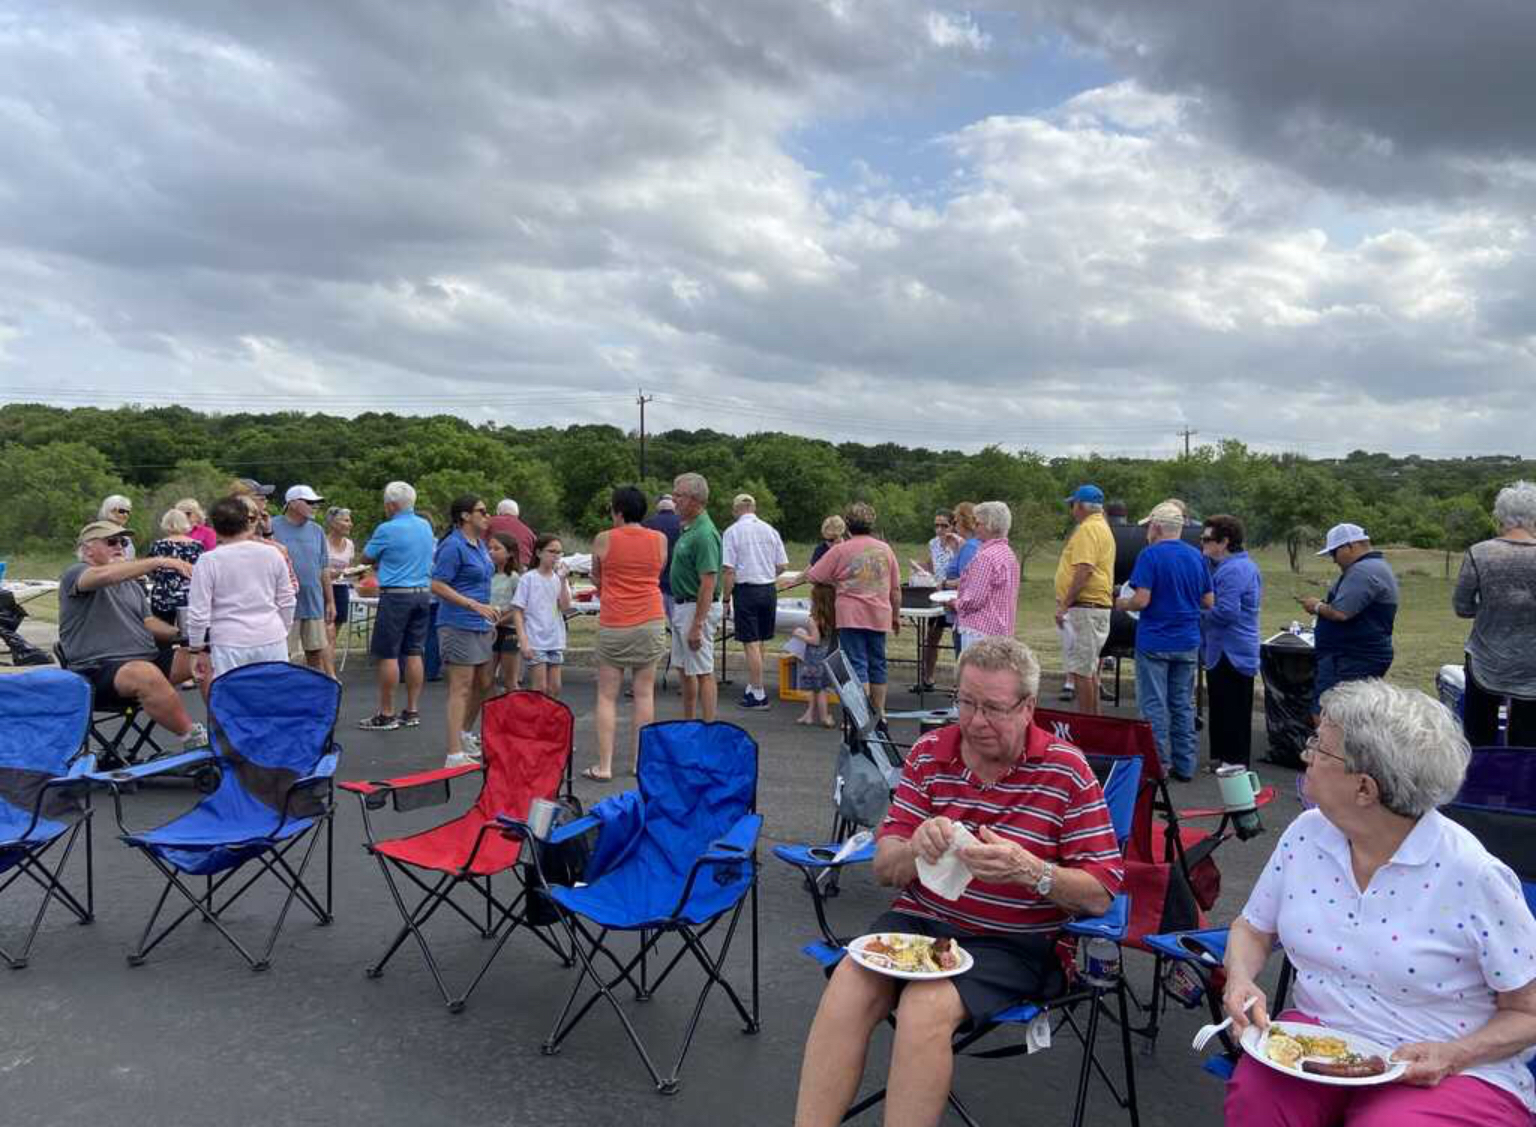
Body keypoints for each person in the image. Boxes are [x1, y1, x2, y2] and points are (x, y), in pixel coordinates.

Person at [793, 637, 1124, 1127]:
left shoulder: (1067, 770)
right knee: (848, 983)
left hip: (1013, 941)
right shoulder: (931, 753)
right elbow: (884, 868)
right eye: (965, 702)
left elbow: (1101, 892)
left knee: (925, 1007)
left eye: (993, 708)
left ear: (1028, 707)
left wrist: (1031, 871)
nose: (975, 721)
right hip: (920, 922)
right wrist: (915, 847)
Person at [1222, 679, 1536, 1126]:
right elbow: (1253, 928)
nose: (1307, 754)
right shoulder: (1307, 835)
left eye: (1320, 747)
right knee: (1257, 1101)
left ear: (1365, 789)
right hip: (1321, 1040)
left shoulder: (1473, 876)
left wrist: (1454, 1054)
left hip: (1447, 1063)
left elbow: (1528, 1011)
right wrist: (1239, 979)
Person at [57, 520, 204, 751]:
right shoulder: (75, 574)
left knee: (205, 658)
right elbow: (102, 577)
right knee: (143, 673)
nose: (120, 547)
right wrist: (159, 561)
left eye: (123, 542)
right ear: (88, 549)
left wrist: (185, 633)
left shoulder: (131, 585)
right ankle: (193, 738)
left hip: (146, 659)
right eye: (111, 542)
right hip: (96, 671)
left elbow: (149, 623)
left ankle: (224, 727)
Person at [1116, 501, 1213, 781]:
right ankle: (1185, 764)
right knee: (1182, 704)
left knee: (1154, 705)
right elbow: (1209, 601)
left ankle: (1158, 764)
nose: (1147, 531)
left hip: (1155, 640)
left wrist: (1123, 603)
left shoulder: (1150, 555)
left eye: (1149, 526)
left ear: (1157, 527)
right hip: (1187, 640)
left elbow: (1141, 600)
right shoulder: (1196, 556)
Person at [589, 486, 669, 780]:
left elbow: (597, 576)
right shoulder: (659, 539)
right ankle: (638, 763)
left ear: (618, 511)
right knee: (644, 694)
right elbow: (656, 572)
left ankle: (604, 765)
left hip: (615, 621)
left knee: (607, 696)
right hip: (650, 618)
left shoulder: (604, 539)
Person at [1453, 481, 1536, 749]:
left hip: (1485, 661)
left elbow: (1462, 607)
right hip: (1532, 665)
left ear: (1500, 516)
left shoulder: (1479, 553)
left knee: (1479, 738)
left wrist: (1490, 607)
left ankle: (1480, 775)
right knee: (1527, 743)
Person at [184, 497, 297, 682]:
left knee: (234, 695)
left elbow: (198, 612)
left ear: (214, 527)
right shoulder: (272, 554)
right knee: (273, 694)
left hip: (228, 641)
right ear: (247, 522)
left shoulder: (208, 561)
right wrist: (282, 629)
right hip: (271, 636)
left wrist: (195, 648)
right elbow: (287, 599)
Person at [806, 502, 901, 716]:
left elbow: (814, 575)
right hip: (879, 614)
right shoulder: (885, 549)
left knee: (856, 664)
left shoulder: (840, 550)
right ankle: (880, 713)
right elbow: (895, 589)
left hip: (850, 615)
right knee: (878, 664)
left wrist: (837, 580)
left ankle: (862, 716)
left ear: (847, 526)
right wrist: (895, 615)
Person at [357, 481, 436, 732]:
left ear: (391, 505)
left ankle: (387, 712)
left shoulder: (387, 529)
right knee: (414, 652)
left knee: (388, 653)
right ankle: (411, 710)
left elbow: (366, 557)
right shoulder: (425, 526)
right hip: (422, 593)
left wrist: (383, 559)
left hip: (396, 595)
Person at [1300, 523, 1399, 719]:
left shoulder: (1362, 570)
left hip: (1351, 657)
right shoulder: (1374, 567)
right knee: (1353, 715)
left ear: (1350, 546)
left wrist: (1316, 606)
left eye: (1334, 553)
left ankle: (1329, 741)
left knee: (1327, 714)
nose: (1333, 560)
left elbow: (1340, 612)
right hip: (1355, 655)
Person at [430, 496, 498, 768]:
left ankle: (464, 734)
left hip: (481, 623)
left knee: (484, 683)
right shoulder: (453, 545)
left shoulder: (479, 544)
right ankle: (454, 754)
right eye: (482, 511)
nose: (487, 515)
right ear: (465, 516)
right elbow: (437, 584)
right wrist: (472, 604)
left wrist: (486, 610)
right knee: (461, 686)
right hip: (457, 623)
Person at [1200, 514, 1263, 769]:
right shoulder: (1234, 567)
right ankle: (1222, 757)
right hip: (1227, 648)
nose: (1203, 544)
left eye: (1207, 539)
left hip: (1232, 650)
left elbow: (1227, 612)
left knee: (1232, 707)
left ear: (1224, 541)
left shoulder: (1233, 570)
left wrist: (1196, 614)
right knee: (1220, 704)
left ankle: (1234, 762)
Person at [721, 492, 789, 710]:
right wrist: (766, 573)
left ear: (736, 510)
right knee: (760, 641)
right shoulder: (770, 530)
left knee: (750, 642)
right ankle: (753, 685)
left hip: (746, 590)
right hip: (768, 589)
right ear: (754, 508)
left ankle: (758, 693)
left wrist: (725, 599)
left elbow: (729, 570)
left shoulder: (732, 532)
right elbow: (782, 565)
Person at [1054, 485, 1116, 715]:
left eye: (1073, 505)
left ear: (1080, 506)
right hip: (1094, 607)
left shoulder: (1088, 529)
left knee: (1081, 671)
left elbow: (1084, 569)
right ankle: (1095, 722)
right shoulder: (1101, 526)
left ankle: (1087, 724)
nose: (1072, 509)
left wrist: (1064, 604)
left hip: (1086, 608)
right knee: (1088, 670)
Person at [669, 472, 725, 722]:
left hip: (695, 608)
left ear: (694, 499)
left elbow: (708, 582)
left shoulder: (704, 534)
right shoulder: (690, 529)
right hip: (684, 606)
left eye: (678, 495)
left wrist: (697, 625)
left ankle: (708, 728)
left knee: (703, 671)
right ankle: (689, 723)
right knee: (684, 669)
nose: (674, 500)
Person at [271, 485, 336, 678]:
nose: (314, 506)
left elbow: (324, 568)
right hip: (283, 602)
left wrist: (330, 601)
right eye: (309, 502)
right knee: (283, 654)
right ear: (292, 503)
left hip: (313, 601)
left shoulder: (317, 530)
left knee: (315, 653)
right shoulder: (272, 527)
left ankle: (314, 690)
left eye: (316, 502)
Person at [953, 501, 1019, 651]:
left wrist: (955, 603)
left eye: (978, 523)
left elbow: (974, 600)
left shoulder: (985, 557)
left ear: (990, 525)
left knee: (976, 667)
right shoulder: (1009, 554)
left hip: (980, 633)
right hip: (1002, 630)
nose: (975, 528)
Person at [512, 533, 572, 700]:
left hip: (555, 638)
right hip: (535, 638)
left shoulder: (559, 579)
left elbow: (565, 607)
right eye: (551, 551)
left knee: (555, 688)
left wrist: (562, 580)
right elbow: (517, 610)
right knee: (540, 687)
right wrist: (523, 640)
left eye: (559, 552)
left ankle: (550, 716)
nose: (556, 556)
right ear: (539, 553)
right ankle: (536, 715)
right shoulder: (528, 578)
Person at [910, 511, 953, 692]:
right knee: (931, 637)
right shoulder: (933, 543)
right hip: (936, 594)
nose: (940, 529)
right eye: (937, 525)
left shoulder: (959, 544)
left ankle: (961, 686)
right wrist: (919, 567)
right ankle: (927, 678)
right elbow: (932, 565)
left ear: (952, 526)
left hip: (954, 595)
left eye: (944, 525)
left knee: (958, 639)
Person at [146, 508, 205, 628]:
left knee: (163, 634)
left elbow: (150, 570)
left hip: (162, 598)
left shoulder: (158, 546)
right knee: (189, 634)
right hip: (188, 598)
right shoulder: (197, 546)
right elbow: (201, 572)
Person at [792, 582, 837, 727]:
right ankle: (809, 715)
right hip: (827, 656)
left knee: (817, 689)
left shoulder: (814, 619)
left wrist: (800, 635)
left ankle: (824, 717)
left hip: (814, 659)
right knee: (818, 688)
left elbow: (815, 640)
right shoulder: (834, 618)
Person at [487, 531, 523, 693]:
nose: (491, 552)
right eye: (489, 548)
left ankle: (515, 706)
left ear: (510, 553)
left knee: (510, 681)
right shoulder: (487, 575)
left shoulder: (514, 577)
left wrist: (499, 621)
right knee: (486, 679)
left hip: (509, 630)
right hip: (490, 629)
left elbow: (518, 608)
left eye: (497, 548)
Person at [642, 494, 682, 621]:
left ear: (658, 507)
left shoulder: (647, 525)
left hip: (653, 583)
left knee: (654, 623)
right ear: (674, 507)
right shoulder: (683, 524)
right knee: (677, 624)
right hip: (677, 583)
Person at [324, 506, 355, 653]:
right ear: (333, 523)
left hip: (342, 589)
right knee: (323, 634)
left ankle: (328, 663)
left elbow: (349, 569)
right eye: (346, 521)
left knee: (334, 634)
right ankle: (317, 664)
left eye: (350, 521)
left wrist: (357, 573)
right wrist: (336, 573)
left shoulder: (350, 544)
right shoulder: (322, 543)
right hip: (324, 589)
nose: (350, 524)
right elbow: (316, 570)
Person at [488, 498, 537, 570]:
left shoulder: (489, 522)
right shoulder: (529, 532)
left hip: (497, 566)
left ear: (499, 512)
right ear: (517, 514)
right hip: (524, 568)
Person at [99, 494, 137, 558]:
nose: (125, 515)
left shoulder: (126, 536)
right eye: (121, 511)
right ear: (109, 511)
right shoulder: (97, 532)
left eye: (128, 512)